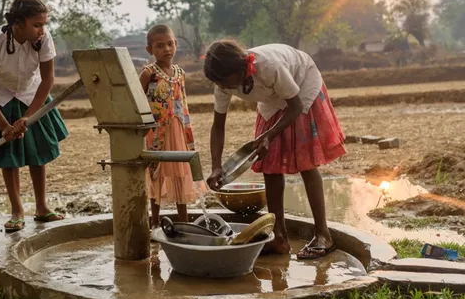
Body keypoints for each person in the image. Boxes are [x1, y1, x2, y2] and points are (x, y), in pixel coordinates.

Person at [204, 41, 345, 259]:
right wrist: (215, 166)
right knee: (269, 165)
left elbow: (295, 106)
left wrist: (268, 136)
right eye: (220, 83)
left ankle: (323, 234)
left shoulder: (269, 66)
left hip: (301, 86)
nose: (224, 87)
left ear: (241, 68)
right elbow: (218, 125)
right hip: (271, 99)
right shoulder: (222, 82)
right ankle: (278, 236)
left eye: (228, 82)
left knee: (305, 162)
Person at [0, 0, 68, 232]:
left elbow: (48, 79)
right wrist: (4, 126)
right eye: (36, 24)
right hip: (1, 99)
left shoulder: (44, 39)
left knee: (38, 154)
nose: (41, 30)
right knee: (10, 155)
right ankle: (17, 210)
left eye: (44, 24)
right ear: (18, 23)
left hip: (32, 95)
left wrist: (29, 116)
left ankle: (42, 208)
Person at [140, 25, 205, 228]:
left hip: (178, 128)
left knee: (180, 171)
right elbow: (138, 101)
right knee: (156, 170)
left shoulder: (179, 73)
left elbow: (182, 101)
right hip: (157, 130)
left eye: (169, 44)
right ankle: (155, 221)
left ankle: (184, 222)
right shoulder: (148, 73)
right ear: (150, 49)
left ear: (175, 44)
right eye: (159, 46)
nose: (166, 49)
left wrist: (186, 128)